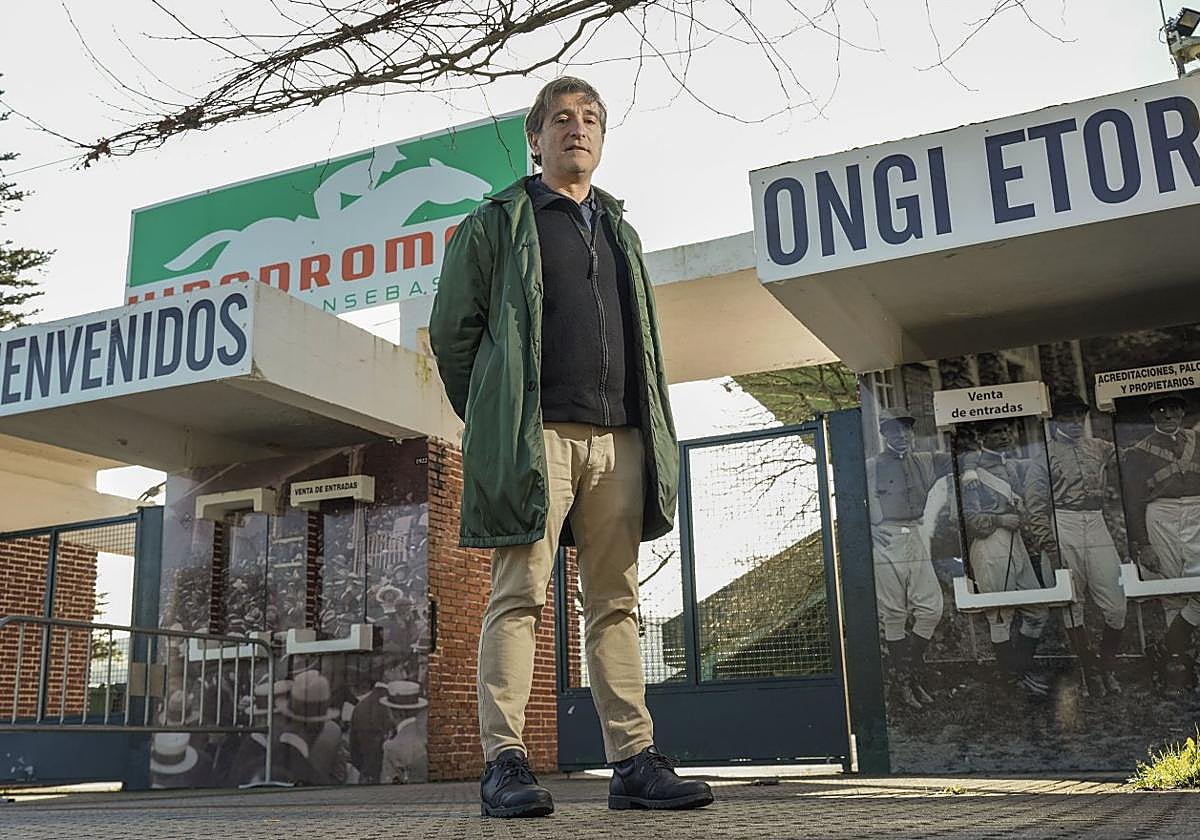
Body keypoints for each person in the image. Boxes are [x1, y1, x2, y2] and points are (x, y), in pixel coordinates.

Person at [429, 76, 713, 817]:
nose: (576, 128)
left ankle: (632, 762)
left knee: (616, 601)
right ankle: (505, 762)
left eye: (589, 118)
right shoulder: (497, 222)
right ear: (535, 138)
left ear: (601, 138)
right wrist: (493, 415)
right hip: (538, 435)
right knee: (518, 593)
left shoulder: (621, 230)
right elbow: (452, 335)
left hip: (618, 438)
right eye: (561, 118)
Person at [959, 418, 1055, 696]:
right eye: (995, 431)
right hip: (990, 544)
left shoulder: (1011, 466)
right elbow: (972, 519)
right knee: (999, 616)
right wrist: (1001, 519)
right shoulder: (973, 473)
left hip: (1016, 543)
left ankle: (1020, 671)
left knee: (1037, 610)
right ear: (981, 437)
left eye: (1006, 430)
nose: (1004, 436)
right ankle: (1012, 680)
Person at [866, 408, 951, 710]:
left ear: (911, 433)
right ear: (884, 435)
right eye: (893, 431)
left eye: (905, 430)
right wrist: (867, 530)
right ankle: (906, 684)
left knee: (931, 607)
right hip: (886, 539)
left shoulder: (926, 460)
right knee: (894, 613)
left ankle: (905, 674)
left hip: (915, 534)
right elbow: (848, 501)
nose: (900, 436)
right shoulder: (872, 466)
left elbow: (959, 458)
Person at [1046, 394, 1127, 696]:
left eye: (1079, 416)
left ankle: (1106, 665)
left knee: (1117, 602)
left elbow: (1130, 457)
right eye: (1068, 417)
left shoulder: (1100, 447)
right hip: (1063, 521)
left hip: (1095, 521)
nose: (1076, 422)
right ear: (1056, 420)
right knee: (1072, 599)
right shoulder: (1045, 452)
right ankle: (1088, 671)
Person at [1121, 391, 1200, 689]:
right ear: (1152, 414)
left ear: (1183, 412)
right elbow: (1132, 502)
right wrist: (1143, 544)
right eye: (1162, 409)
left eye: (1175, 409)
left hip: (1197, 512)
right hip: (1161, 515)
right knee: (1172, 592)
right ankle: (1179, 666)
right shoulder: (1139, 451)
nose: (1169, 415)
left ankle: (1164, 647)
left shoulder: (1198, 441)